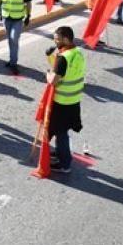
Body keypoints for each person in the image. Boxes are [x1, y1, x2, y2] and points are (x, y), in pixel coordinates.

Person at [45, 26, 85, 173]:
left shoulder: (63, 58)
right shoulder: (77, 52)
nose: (55, 42)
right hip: (74, 100)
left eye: (57, 39)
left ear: (66, 39)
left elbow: (54, 79)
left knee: (60, 132)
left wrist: (47, 74)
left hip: (62, 101)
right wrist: (51, 58)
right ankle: (61, 153)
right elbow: (65, 71)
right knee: (60, 130)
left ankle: (64, 163)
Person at [0, 0, 32, 75]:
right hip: (6, 18)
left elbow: (28, 2)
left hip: (17, 19)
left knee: (14, 39)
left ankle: (13, 63)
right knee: (9, 40)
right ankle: (12, 60)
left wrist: (28, 16)